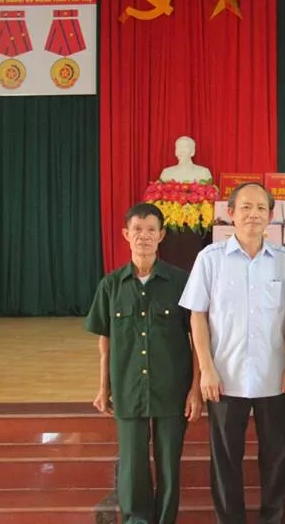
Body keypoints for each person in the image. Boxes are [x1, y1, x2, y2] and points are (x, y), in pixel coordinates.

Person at [179, 182, 285, 524]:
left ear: (270, 216)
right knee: (226, 460)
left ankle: (273, 519)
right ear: (230, 213)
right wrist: (206, 369)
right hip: (225, 376)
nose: (253, 214)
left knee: (278, 457)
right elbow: (197, 316)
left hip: (273, 376)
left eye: (261, 208)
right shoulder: (210, 259)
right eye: (246, 207)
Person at [84, 202, 203, 524]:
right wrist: (103, 387)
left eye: (151, 230)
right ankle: (137, 520)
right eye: (137, 229)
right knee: (132, 464)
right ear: (126, 234)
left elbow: (198, 339)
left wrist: (195, 389)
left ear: (161, 235)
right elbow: (105, 342)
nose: (144, 236)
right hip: (127, 387)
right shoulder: (110, 285)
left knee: (169, 464)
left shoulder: (181, 282)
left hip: (172, 387)